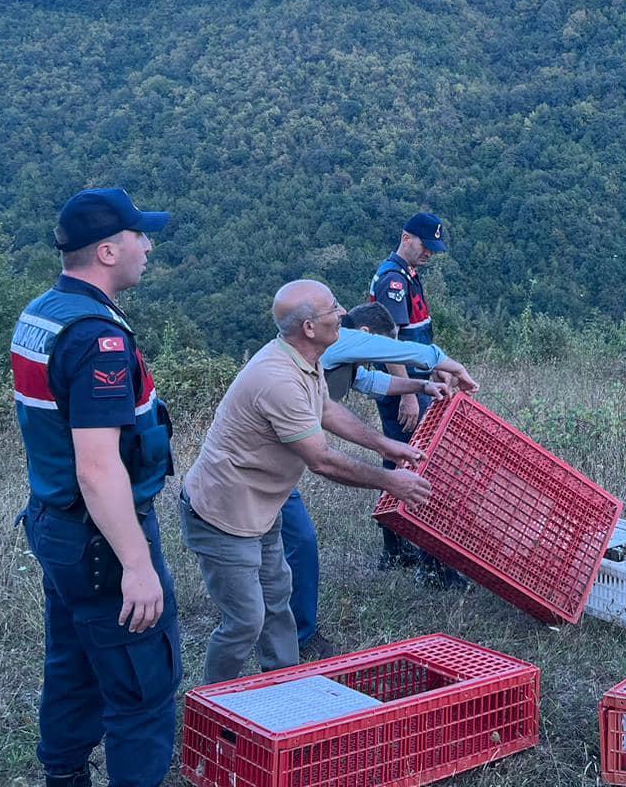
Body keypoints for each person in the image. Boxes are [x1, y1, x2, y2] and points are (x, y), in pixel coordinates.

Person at [180, 280, 443, 684]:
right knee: (245, 621)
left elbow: (328, 412)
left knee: (277, 601)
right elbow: (321, 460)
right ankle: (216, 706)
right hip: (224, 512)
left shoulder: (306, 358)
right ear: (308, 327)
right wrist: (391, 482)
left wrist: (389, 445)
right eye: (333, 310)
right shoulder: (278, 378)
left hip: (263, 507)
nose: (342, 314)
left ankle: (284, 688)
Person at [10, 188, 181, 787]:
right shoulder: (95, 337)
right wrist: (137, 565)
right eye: (140, 236)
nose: (148, 246)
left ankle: (64, 776)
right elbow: (99, 466)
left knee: (74, 666)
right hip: (101, 537)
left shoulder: (44, 312)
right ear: (108, 250)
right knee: (144, 693)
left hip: (56, 524)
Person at [279, 303, 478, 657]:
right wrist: (441, 361)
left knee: (297, 545)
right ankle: (296, 637)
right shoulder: (339, 342)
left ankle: (296, 634)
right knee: (298, 545)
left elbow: (371, 381)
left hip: (279, 474)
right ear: (365, 336)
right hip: (260, 475)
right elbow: (393, 351)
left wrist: (419, 386)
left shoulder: (330, 361)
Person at [367, 212, 450, 572]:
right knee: (408, 460)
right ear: (406, 238)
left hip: (418, 382)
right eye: (424, 245)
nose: (428, 254)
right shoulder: (393, 280)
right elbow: (389, 342)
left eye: (433, 248)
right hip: (403, 388)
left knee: (401, 457)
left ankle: (398, 546)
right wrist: (407, 394)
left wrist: (435, 372)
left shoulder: (409, 275)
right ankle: (407, 551)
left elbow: (418, 335)